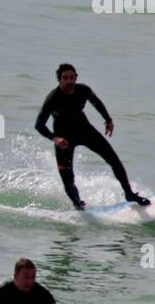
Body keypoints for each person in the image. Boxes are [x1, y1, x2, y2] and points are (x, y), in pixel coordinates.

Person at [34, 63, 149, 210]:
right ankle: (78, 205)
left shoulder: (83, 90)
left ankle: (129, 194)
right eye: (65, 78)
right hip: (64, 139)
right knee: (68, 178)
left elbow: (96, 103)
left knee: (114, 160)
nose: (69, 81)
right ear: (59, 79)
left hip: (85, 131)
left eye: (72, 77)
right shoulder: (53, 98)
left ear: (76, 77)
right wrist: (54, 138)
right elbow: (39, 124)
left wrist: (108, 120)